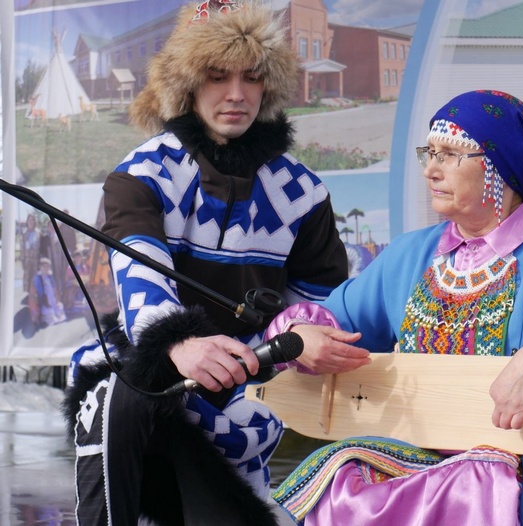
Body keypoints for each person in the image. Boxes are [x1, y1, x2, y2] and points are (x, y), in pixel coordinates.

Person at [264, 90, 523, 525]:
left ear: (498, 166)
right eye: (429, 153)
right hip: (433, 454)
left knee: (478, 481)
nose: (430, 169)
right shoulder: (411, 255)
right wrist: (300, 336)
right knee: (343, 478)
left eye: (449, 154)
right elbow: (332, 319)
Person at [62, 2, 359, 524]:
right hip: (150, 381)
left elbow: (320, 306)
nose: (237, 94)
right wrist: (178, 343)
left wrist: (293, 340)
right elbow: (142, 284)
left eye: (252, 76)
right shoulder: (142, 174)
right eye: (217, 75)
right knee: (117, 391)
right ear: (187, 83)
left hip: (250, 392)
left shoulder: (304, 192)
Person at [30, 257, 67, 327]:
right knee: (50, 314)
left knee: (59, 308)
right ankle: (45, 316)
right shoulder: (37, 278)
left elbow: (54, 288)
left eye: (48, 266)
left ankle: (55, 313)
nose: (46, 268)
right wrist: (35, 310)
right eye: (44, 266)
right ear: (40, 267)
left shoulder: (50, 276)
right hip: (44, 301)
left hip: (52, 299)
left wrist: (57, 299)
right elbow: (33, 294)